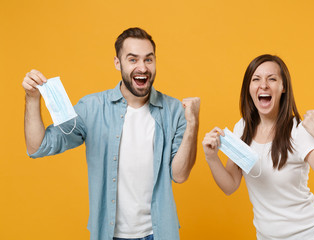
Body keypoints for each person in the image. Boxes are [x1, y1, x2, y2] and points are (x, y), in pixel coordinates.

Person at [22, 27, 200, 240]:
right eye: (133, 60)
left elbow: (180, 175)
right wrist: (32, 99)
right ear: (118, 63)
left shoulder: (173, 111)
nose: (142, 67)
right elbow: (38, 146)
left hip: (159, 233)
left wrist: (192, 124)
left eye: (148, 60)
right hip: (109, 234)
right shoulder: (92, 108)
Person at [202, 54, 314, 240]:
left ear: (283, 88)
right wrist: (211, 157)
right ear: (249, 88)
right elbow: (230, 185)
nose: (263, 85)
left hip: (311, 235)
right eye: (256, 79)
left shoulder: (297, 131)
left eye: (271, 79)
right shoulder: (242, 129)